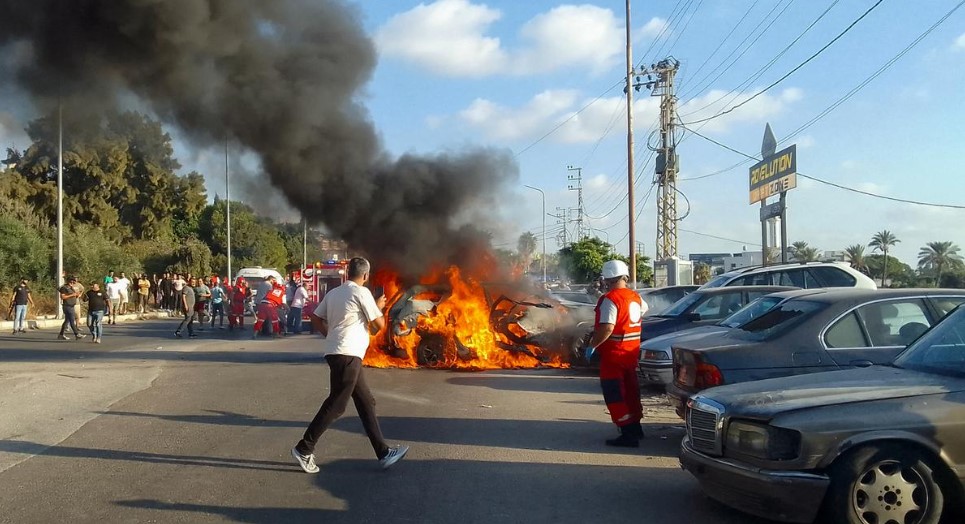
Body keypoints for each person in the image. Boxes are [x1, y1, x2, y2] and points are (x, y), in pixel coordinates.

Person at [291, 257, 408, 474]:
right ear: (365, 275)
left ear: (347, 273)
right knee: (337, 405)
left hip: (340, 352)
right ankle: (304, 449)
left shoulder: (334, 292)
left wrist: (330, 335)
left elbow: (316, 317)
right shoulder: (361, 293)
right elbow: (379, 325)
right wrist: (379, 307)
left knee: (366, 401)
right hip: (348, 354)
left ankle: (383, 452)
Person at [583, 260, 647, 448]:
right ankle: (636, 427)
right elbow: (643, 310)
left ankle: (627, 433)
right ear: (625, 276)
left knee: (614, 393)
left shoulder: (610, 299)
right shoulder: (635, 297)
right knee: (630, 391)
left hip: (614, 355)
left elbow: (607, 328)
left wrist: (592, 345)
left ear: (607, 279)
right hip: (631, 353)